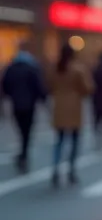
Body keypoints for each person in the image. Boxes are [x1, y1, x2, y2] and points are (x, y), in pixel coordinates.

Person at [49, 43, 94, 187]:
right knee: (74, 140)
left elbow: (49, 85)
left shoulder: (56, 68)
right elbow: (88, 88)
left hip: (59, 107)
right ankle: (71, 170)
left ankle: (55, 169)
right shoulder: (78, 69)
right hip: (74, 108)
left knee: (59, 140)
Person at [1, 40, 46, 172]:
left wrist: (10, 96)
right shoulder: (32, 67)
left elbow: (5, 85)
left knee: (21, 130)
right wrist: (42, 99)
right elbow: (38, 86)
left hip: (16, 104)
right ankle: (23, 154)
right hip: (29, 104)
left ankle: (22, 154)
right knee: (27, 131)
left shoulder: (11, 67)